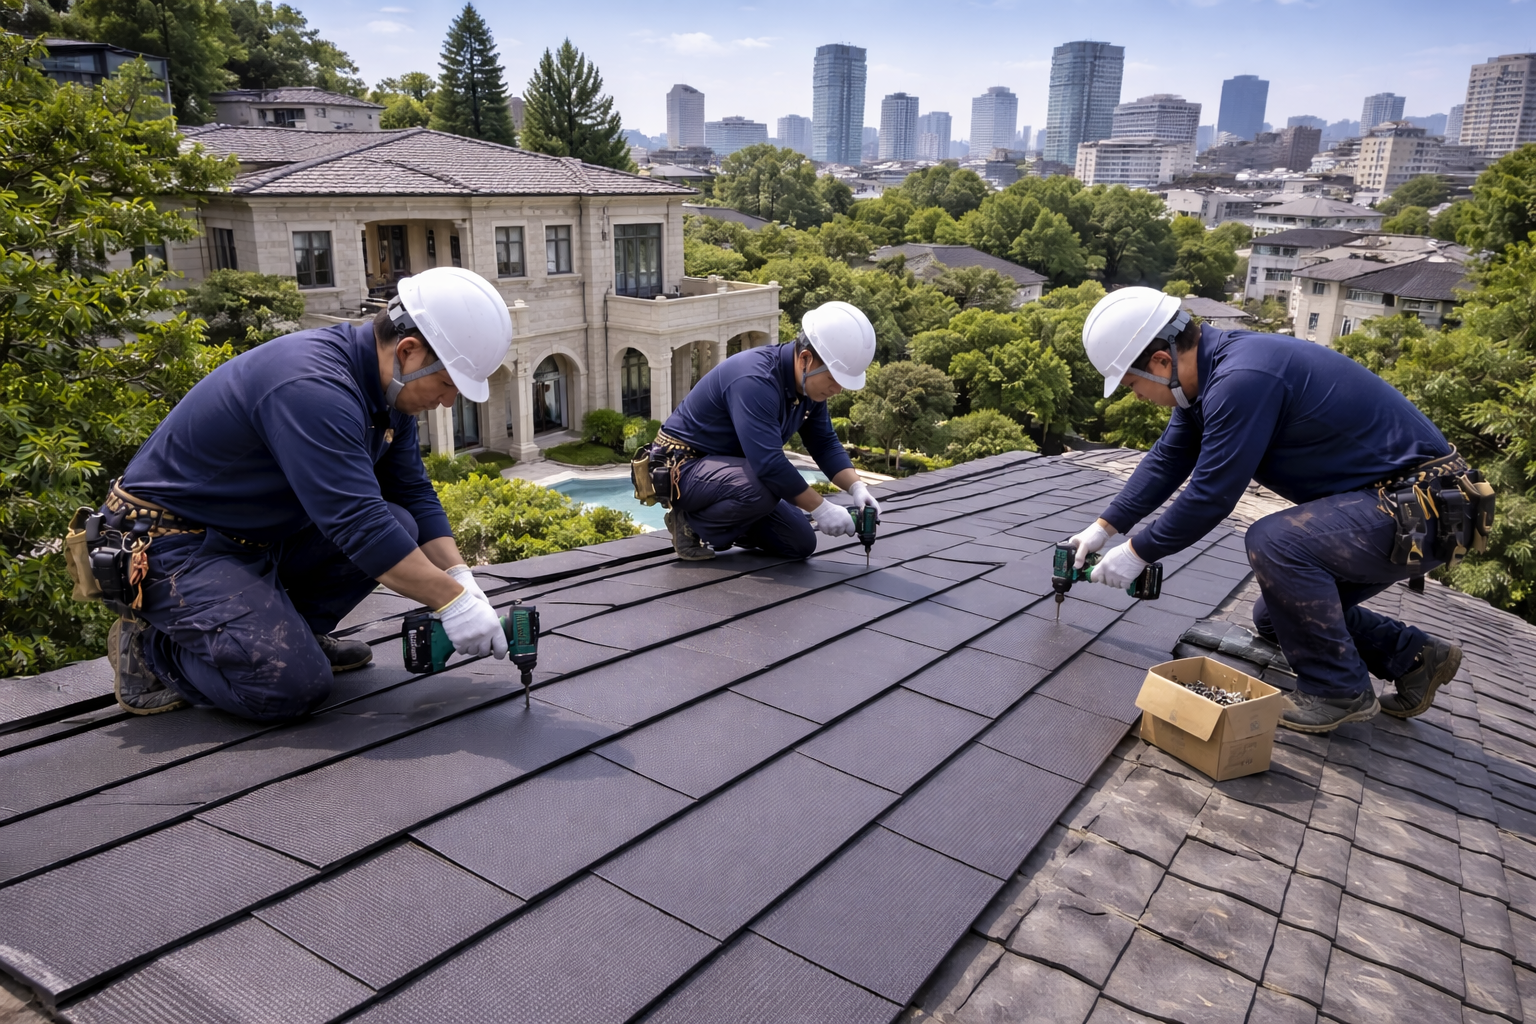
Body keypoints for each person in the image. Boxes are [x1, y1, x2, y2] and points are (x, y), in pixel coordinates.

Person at [97, 267, 515, 720]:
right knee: (290, 688)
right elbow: (357, 524)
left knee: (401, 522)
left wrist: (460, 578)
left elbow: (411, 492)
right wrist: (449, 603)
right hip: (171, 545)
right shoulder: (312, 387)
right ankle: (154, 650)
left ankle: (292, 635)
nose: (450, 402)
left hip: (243, 539)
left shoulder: (385, 396)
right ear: (409, 351)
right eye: (448, 383)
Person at [1069, 286, 1479, 734]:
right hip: (1408, 510)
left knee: (1275, 541)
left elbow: (1211, 495)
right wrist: (1104, 527)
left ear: (1161, 362)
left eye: (1131, 384)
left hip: (1420, 510)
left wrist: (1136, 553)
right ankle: (1415, 656)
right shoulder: (1208, 380)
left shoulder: (1244, 378)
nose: (1136, 396)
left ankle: (1337, 690)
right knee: (1278, 616)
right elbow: (1169, 459)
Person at [652, 301, 880, 560]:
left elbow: (824, 443)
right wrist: (822, 508)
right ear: (806, 359)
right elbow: (769, 464)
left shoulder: (808, 389)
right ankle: (689, 524)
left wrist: (857, 488)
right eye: (833, 379)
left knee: (799, 542)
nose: (837, 390)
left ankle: (729, 527)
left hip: (732, 476)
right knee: (764, 488)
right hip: (684, 468)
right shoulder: (754, 380)